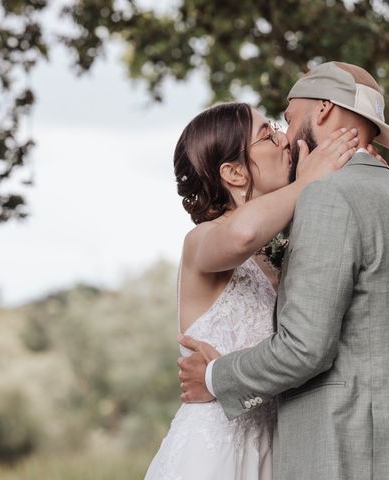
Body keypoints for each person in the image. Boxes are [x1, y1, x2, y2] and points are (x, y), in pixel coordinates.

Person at [178, 61, 389, 479]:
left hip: (349, 456)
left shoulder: (326, 198)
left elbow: (303, 348)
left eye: (288, 120)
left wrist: (215, 376)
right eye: (271, 132)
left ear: (324, 111)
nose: (285, 137)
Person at [144, 101, 360, 479]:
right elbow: (243, 232)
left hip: (275, 451)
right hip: (214, 455)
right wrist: (308, 182)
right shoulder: (202, 242)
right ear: (233, 172)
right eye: (266, 134)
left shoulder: (274, 253)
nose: (283, 139)